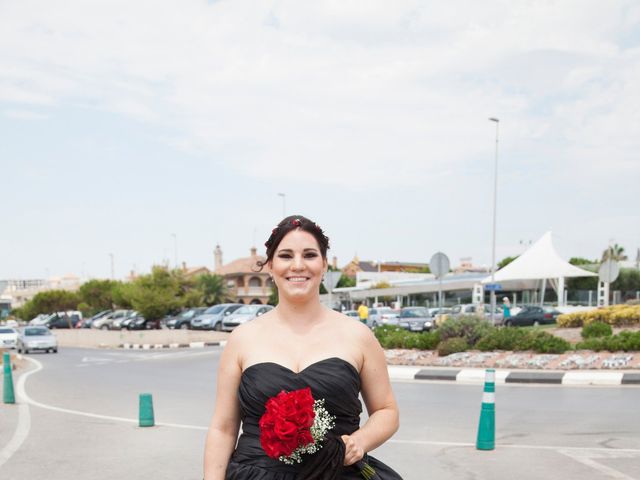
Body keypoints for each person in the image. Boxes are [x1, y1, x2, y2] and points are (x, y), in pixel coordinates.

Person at [204, 215, 402, 480]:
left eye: (309, 255)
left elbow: (387, 411)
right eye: (286, 256)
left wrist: (360, 441)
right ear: (270, 266)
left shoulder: (358, 335)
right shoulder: (242, 338)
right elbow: (223, 428)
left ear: (323, 265)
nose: (298, 265)